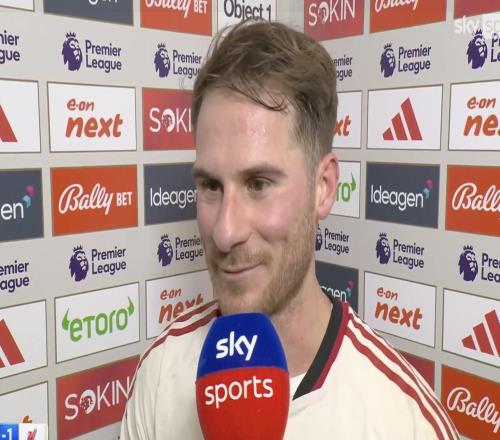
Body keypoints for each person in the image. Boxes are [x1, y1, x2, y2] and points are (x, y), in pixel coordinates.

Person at [121, 20, 458, 439]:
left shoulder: (405, 422)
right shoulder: (159, 376)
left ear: (323, 188)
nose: (225, 232)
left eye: (258, 184)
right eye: (210, 186)